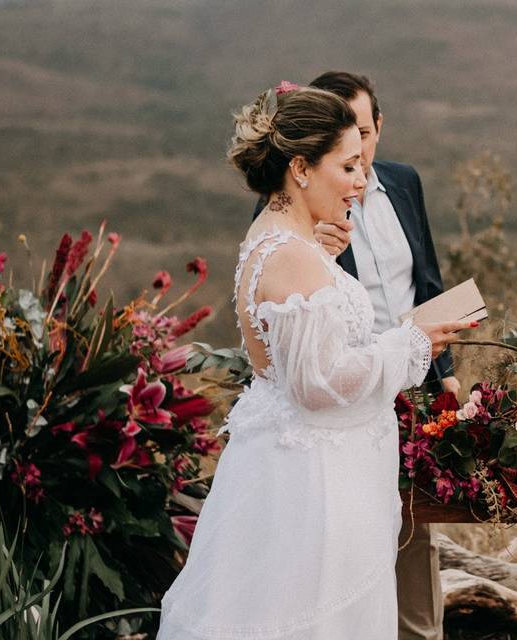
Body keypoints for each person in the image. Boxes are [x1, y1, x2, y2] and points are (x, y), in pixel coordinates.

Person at [158, 84, 475, 639]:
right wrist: (411, 341)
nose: (360, 180)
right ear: (301, 167)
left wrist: (324, 261)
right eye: (348, 166)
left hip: (309, 469)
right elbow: (317, 384)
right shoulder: (289, 255)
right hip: (313, 488)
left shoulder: (288, 241)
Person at [253, 71, 452, 640]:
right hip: (342, 408)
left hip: (410, 387)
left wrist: (445, 372)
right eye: (344, 151)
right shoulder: (289, 226)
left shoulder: (404, 183)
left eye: (363, 135)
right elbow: (296, 359)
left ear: (377, 128)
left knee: (413, 534)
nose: (358, 160)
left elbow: (426, 278)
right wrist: (317, 252)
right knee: (335, 570)